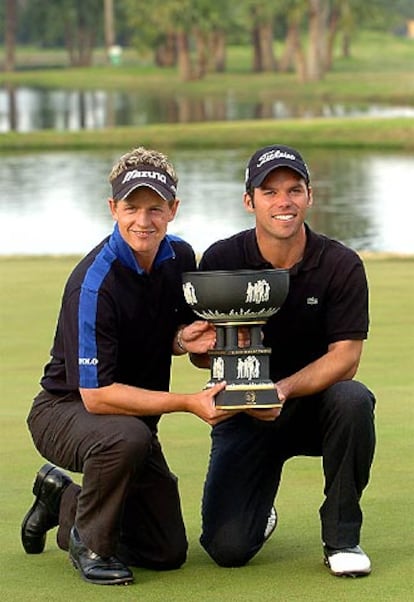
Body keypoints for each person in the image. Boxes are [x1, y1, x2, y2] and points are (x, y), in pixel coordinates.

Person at [21, 145, 232, 586]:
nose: (143, 220)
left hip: (130, 420)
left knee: (166, 550)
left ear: (173, 209)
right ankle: (90, 543)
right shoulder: (93, 283)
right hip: (66, 410)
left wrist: (181, 340)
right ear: (112, 207)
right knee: (127, 435)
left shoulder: (180, 258)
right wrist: (189, 403)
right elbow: (97, 397)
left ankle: (62, 499)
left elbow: (170, 335)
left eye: (155, 208)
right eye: (131, 207)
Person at [191, 144, 376, 577]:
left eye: (294, 190)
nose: (283, 202)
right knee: (227, 548)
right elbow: (204, 360)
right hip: (245, 415)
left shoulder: (341, 264)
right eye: (269, 191)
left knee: (352, 398)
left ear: (310, 196)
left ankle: (342, 538)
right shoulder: (221, 260)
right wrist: (208, 346)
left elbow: (346, 357)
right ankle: (258, 512)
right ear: (248, 200)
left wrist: (282, 389)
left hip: (315, 408)